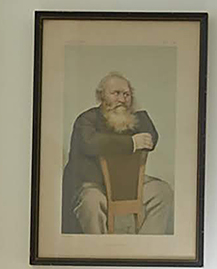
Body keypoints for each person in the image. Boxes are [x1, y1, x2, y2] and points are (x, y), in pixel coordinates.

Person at [61, 72, 175, 234]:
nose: (122, 99)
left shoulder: (134, 119)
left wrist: (137, 113)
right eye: (116, 93)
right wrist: (131, 143)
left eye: (126, 95)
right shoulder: (86, 120)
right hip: (93, 186)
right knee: (91, 203)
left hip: (127, 185)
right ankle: (98, 254)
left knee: (161, 192)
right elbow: (90, 143)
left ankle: (143, 251)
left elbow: (152, 137)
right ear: (101, 96)